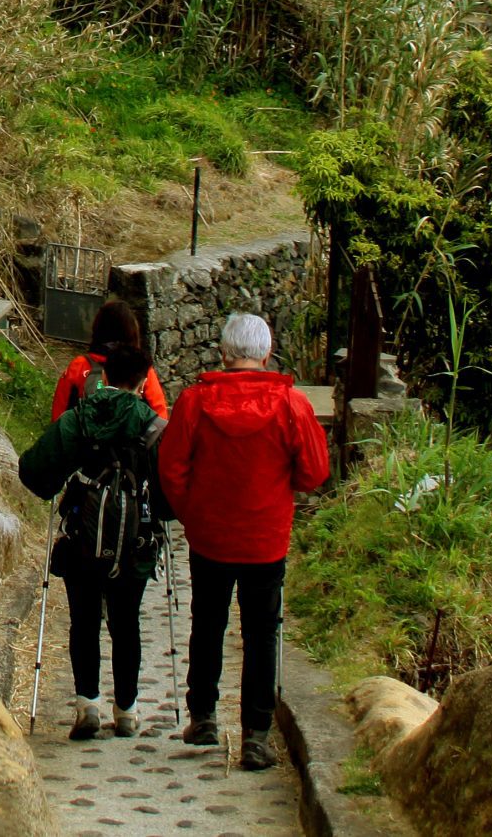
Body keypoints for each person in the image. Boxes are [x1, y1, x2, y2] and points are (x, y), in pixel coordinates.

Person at [157, 311, 329, 772]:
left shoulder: (195, 403)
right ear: (266, 353)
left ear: (225, 353)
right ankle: (256, 734)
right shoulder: (292, 405)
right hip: (266, 538)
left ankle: (204, 716)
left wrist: (192, 512)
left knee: (207, 624)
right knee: (261, 633)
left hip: (210, 534)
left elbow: (171, 468)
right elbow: (314, 471)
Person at [18, 344, 167, 741]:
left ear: (103, 376)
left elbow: (33, 471)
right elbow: (169, 492)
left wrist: (59, 483)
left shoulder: (80, 417)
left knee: (83, 620)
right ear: (141, 381)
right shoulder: (151, 425)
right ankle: (128, 711)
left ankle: (88, 705)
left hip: (82, 536)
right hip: (133, 542)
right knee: (126, 622)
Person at [49, 296, 169, 419]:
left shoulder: (79, 367)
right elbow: (159, 417)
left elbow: (59, 417)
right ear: (132, 332)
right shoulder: (141, 370)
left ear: (97, 328)